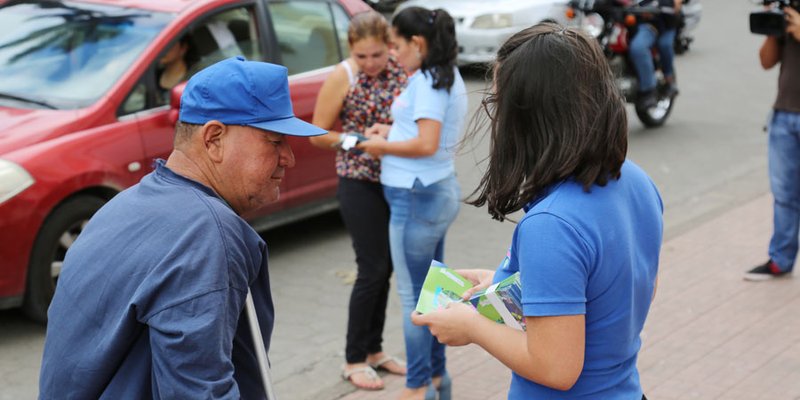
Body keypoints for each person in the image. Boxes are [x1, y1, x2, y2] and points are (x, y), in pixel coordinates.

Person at [38, 56, 326, 399]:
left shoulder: (124, 205)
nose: (289, 158)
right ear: (214, 139)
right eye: (274, 141)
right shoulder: (206, 232)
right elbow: (197, 391)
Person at [411, 23, 663, 399]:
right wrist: (501, 284)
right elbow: (619, 290)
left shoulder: (551, 225)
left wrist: (471, 326)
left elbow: (556, 368)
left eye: (501, 104)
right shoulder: (634, 179)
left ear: (534, 116)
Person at [358, 6, 467, 400]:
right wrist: (390, 129)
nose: (392, 53)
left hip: (417, 196)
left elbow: (426, 142)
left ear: (417, 44)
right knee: (433, 294)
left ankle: (418, 386)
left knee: (416, 300)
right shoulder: (442, 75)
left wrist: (378, 145)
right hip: (431, 192)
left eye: (396, 45)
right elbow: (421, 130)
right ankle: (437, 380)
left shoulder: (426, 82)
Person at [309, 10, 408, 391]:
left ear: (389, 47)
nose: (369, 64)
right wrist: (358, 142)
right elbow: (317, 133)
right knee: (371, 268)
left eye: (377, 55)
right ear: (351, 51)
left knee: (386, 269)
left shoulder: (401, 69)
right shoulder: (344, 75)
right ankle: (352, 359)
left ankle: (374, 351)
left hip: (395, 181)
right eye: (362, 56)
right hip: (358, 181)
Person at [744, 6, 800, 281]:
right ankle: (780, 260)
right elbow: (766, 61)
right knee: (784, 195)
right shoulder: (789, 13)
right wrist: (773, 30)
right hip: (784, 115)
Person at [629, 0, 682, 109]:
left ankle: (651, 88)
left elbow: (675, 5)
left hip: (662, 22)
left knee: (646, 47)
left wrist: (657, 7)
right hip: (634, 19)